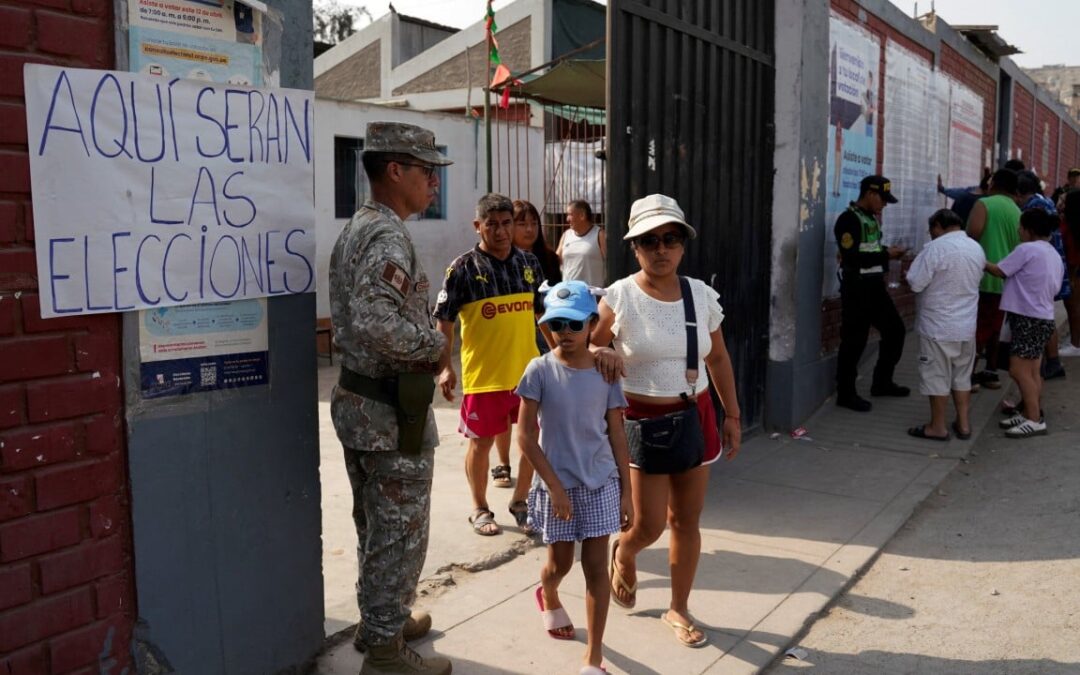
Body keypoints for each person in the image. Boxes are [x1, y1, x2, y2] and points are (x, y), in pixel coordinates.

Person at [328, 121, 452, 675]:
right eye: (427, 172)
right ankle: (383, 650)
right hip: (385, 411)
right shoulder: (386, 235)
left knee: (378, 527)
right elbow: (377, 323)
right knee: (400, 532)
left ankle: (385, 619)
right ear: (395, 170)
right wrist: (434, 344)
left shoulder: (365, 226)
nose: (434, 183)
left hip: (366, 406)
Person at [592, 194, 741, 649]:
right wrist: (603, 351)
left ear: (682, 244)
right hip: (640, 421)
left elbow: (716, 355)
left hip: (695, 414)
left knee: (687, 521)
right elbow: (585, 350)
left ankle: (678, 607)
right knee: (649, 525)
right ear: (634, 247)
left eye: (670, 239)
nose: (661, 249)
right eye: (649, 240)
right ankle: (627, 549)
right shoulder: (620, 297)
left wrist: (732, 413)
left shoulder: (700, 294)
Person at [516, 280, 632, 675]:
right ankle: (547, 593)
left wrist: (627, 493)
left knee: (596, 569)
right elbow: (525, 437)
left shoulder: (605, 374)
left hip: (599, 483)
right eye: (557, 324)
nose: (565, 332)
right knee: (558, 565)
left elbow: (617, 434)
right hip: (556, 486)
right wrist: (553, 486)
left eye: (573, 324)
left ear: (591, 323)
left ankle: (594, 658)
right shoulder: (539, 371)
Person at [434, 193, 546, 536]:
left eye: (506, 223)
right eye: (492, 224)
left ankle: (521, 502)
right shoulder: (462, 269)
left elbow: (543, 315)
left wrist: (559, 357)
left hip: (527, 376)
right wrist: (445, 367)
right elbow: (444, 321)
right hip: (484, 378)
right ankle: (480, 508)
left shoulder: (529, 264)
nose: (500, 231)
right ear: (477, 226)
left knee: (531, 439)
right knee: (480, 444)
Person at [904, 209, 986, 441]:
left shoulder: (935, 249)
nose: (930, 235)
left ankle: (937, 428)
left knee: (936, 376)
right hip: (966, 326)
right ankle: (964, 424)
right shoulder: (976, 248)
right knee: (962, 376)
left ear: (939, 226)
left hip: (938, 326)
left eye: (931, 230)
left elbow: (916, 283)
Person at [833, 175, 910, 412]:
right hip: (857, 288)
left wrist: (888, 251)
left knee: (895, 331)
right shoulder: (848, 220)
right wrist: (887, 255)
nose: (884, 204)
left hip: (875, 287)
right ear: (870, 194)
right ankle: (845, 393)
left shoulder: (870, 219)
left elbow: (872, 249)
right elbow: (853, 256)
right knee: (854, 341)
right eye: (883, 199)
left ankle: (882, 382)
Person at [985, 209, 1064, 438]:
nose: (1018, 230)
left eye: (1020, 227)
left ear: (1029, 230)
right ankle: (1031, 411)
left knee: (1018, 371)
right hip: (1043, 317)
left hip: (1027, 318)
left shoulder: (1026, 249)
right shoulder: (1053, 253)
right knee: (1032, 371)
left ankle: (1034, 419)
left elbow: (1000, 270)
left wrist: (978, 259)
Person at [967, 168, 1022, 390]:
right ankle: (991, 373)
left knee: (978, 329)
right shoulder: (1018, 211)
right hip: (1007, 282)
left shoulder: (985, 204)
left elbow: (972, 236)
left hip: (983, 279)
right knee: (996, 330)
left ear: (994, 184)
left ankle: (967, 375)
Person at [1017, 170, 1070, 379]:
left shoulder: (1034, 208)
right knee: (1046, 316)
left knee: (1043, 318)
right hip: (1051, 265)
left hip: (1041, 268)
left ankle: (1049, 361)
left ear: (1019, 193)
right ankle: (1053, 361)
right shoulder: (1044, 201)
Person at [558, 199, 606, 287]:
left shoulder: (599, 235)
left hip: (591, 294)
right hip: (568, 293)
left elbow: (610, 264)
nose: (567, 219)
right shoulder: (566, 235)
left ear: (582, 215)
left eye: (570, 215)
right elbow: (556, 260)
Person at [1061, 190, 1080, 357]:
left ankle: (1075, 344)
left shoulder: (1069, 227)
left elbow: (1072, 256)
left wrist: (1072, 278)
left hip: (1073, 274)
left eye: (1064, 202)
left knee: (1073, 308)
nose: (1061, 204)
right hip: (1075, 272)